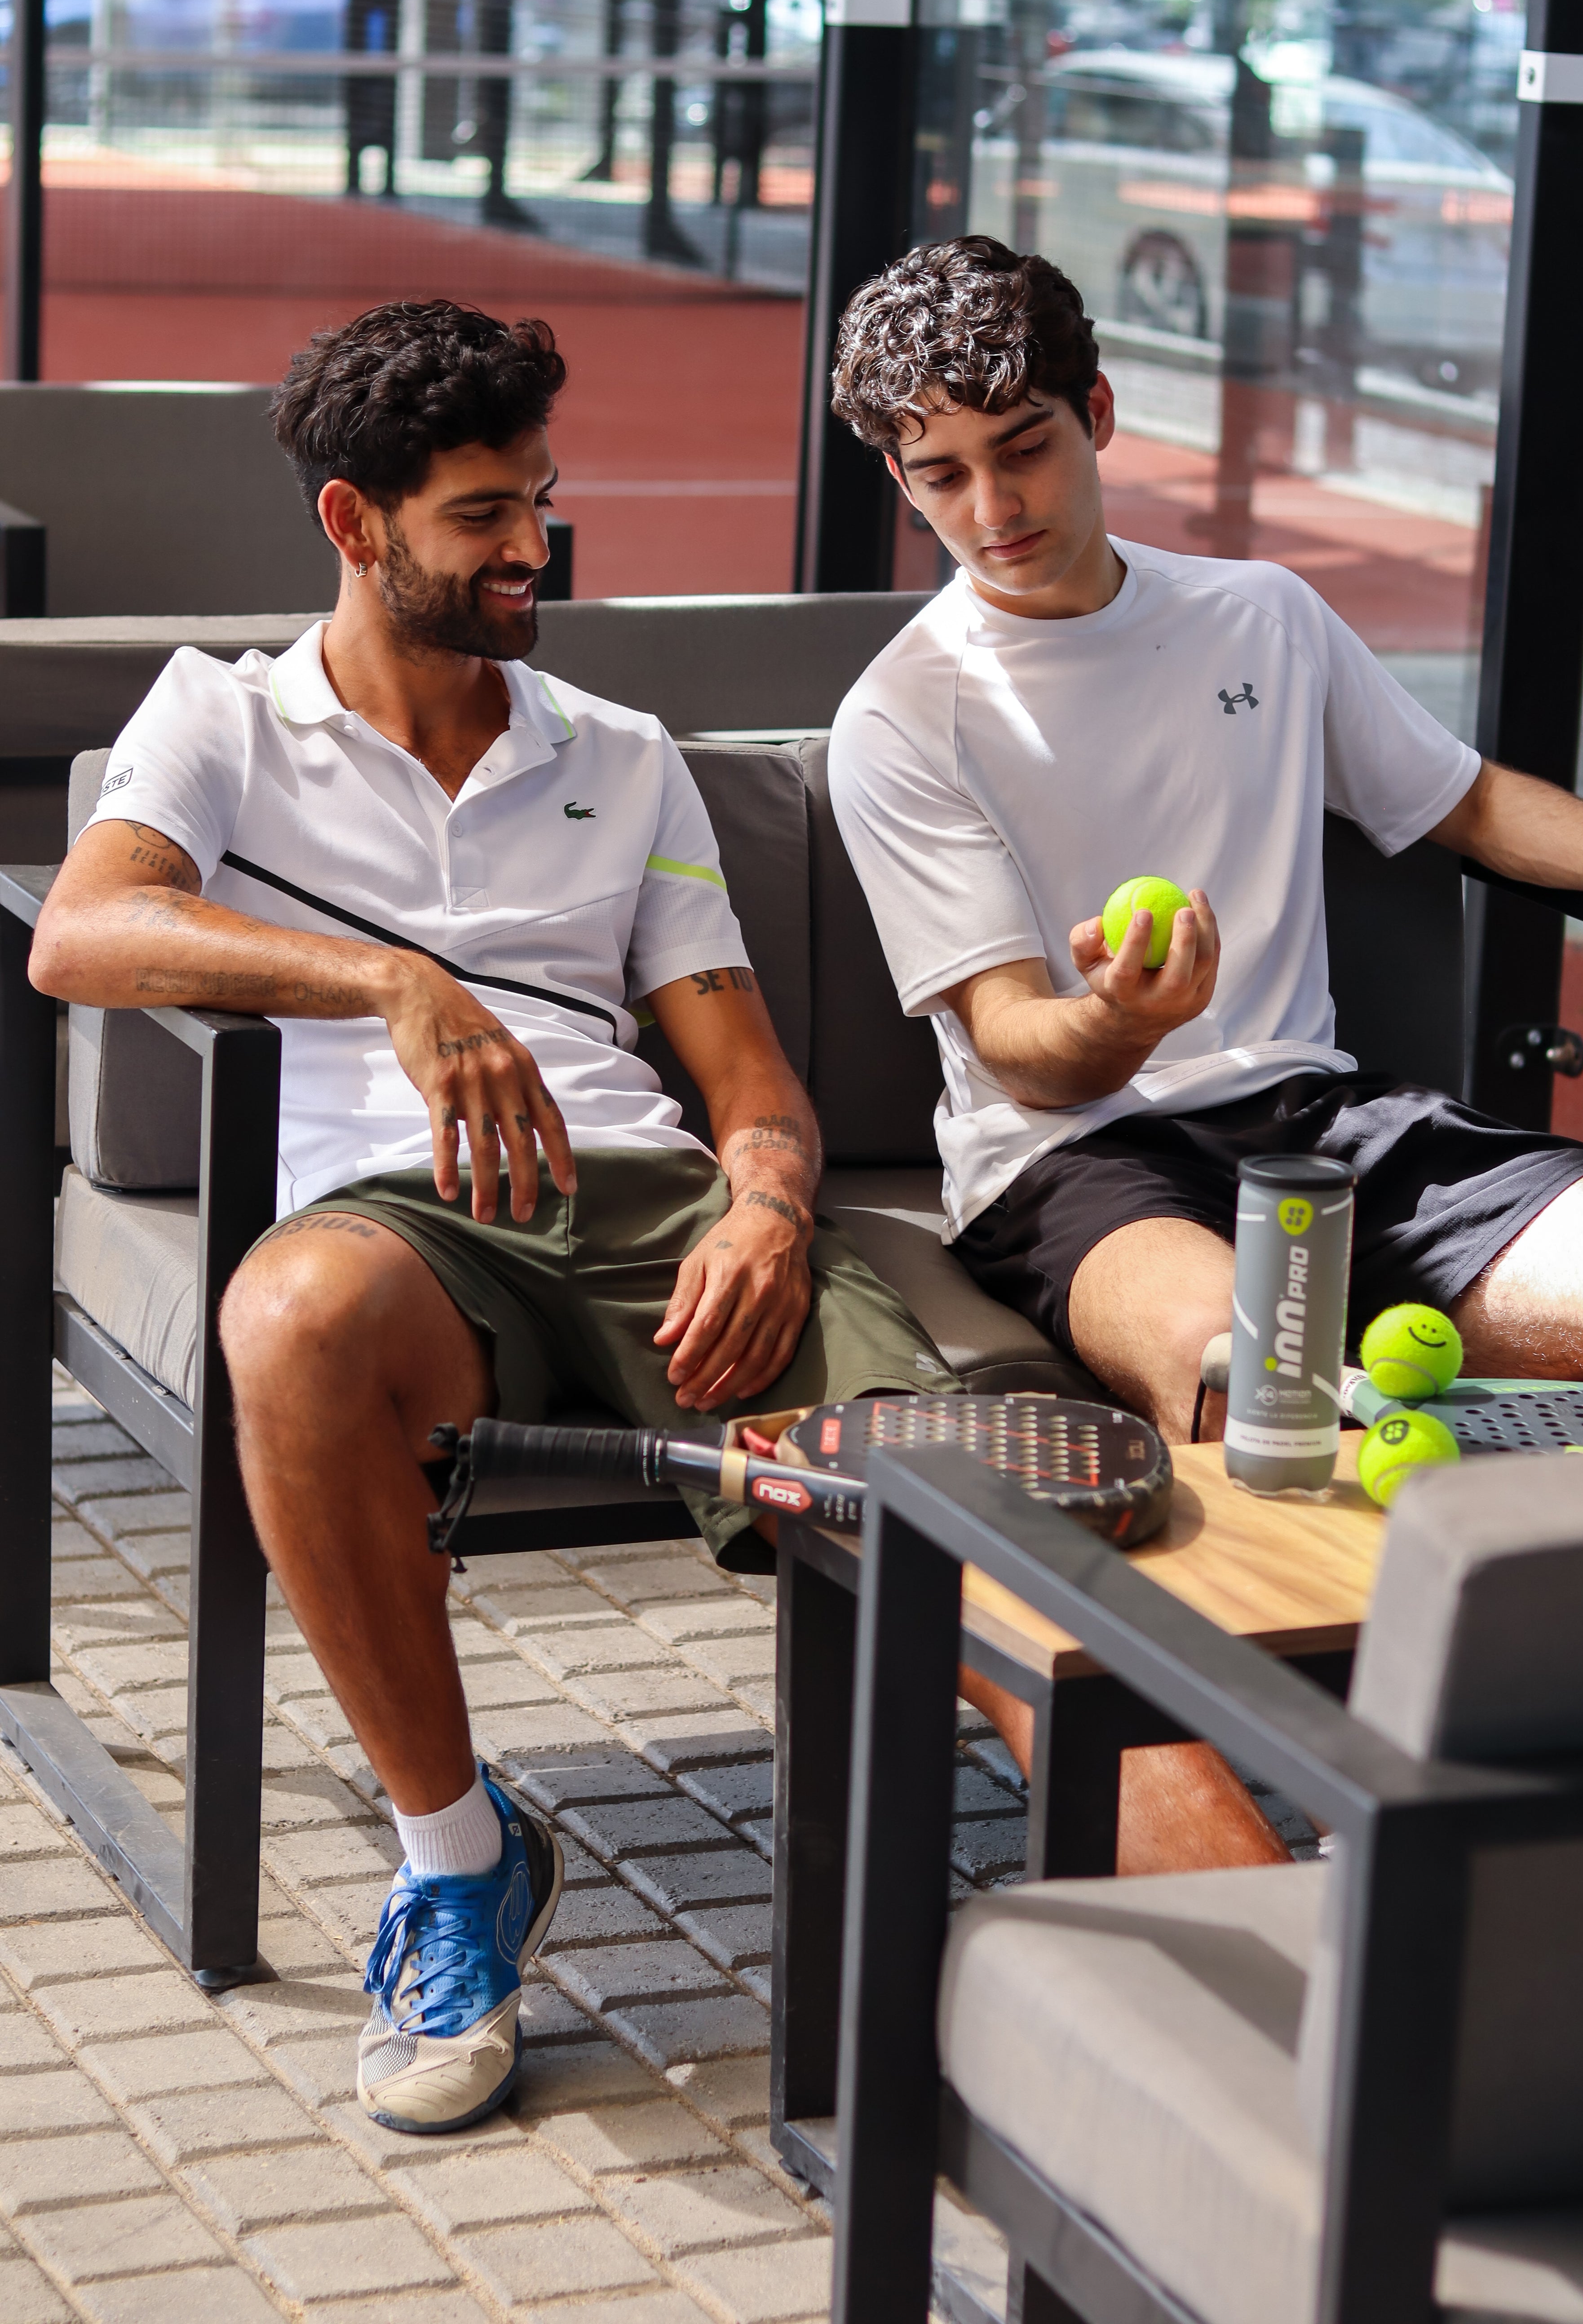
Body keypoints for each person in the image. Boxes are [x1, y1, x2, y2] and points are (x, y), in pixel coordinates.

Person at [29, 298, 953, 2134]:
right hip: (398, 1241)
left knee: (962, 1490)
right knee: (286, 1320)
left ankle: (1158, 1952)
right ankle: (459, 1863)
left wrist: (765, 1208)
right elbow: (83, 932)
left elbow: (750, 1078)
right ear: (355, 526)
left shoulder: (624, 750)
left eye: (540, 497)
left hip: (647, 1219)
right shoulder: (221, 717)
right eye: (481, 515)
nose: (534, 545)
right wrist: (386, 982)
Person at [826, 233, 1583, 1873]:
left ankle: (1530, 1743)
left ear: (1099, 413)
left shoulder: (1262, 613)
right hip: (1073, 1167)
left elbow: (1454, 800)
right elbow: (1026, 1052)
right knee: (1267, 1393)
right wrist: (1120, 1021)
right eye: (939, 475)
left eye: (1023, 447)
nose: (990, 507)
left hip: (1322, 1115)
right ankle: (1312, 1843)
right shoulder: (904, 715)